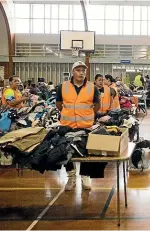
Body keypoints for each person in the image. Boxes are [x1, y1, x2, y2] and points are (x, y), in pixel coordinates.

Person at [56, 61, 101, 191]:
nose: (81, 73)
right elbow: (59, 104)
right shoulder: (62, 87)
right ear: (73, 72)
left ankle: (85, 176)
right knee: (66, 152)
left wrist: (85, 115)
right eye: (78, 70)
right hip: (67, 126)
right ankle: (70, 176)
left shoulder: (92, 87)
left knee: (86, 152)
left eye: (83, 70)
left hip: (85, 126)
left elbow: (96, 106)